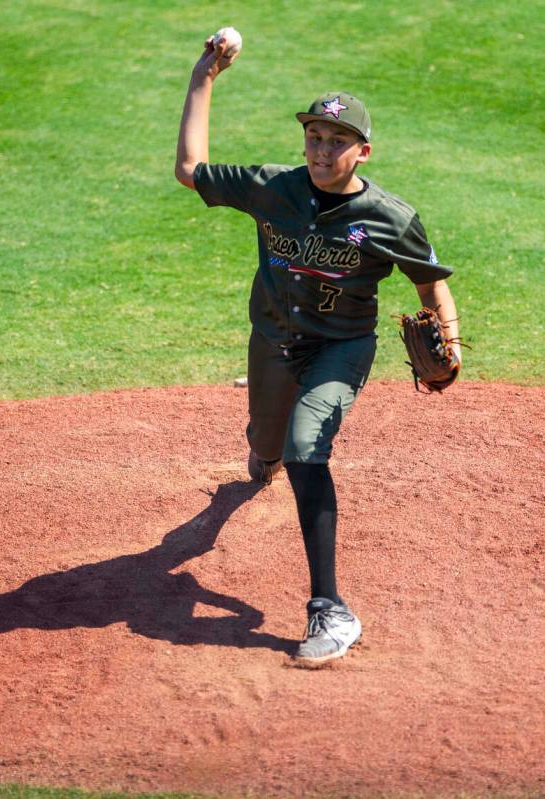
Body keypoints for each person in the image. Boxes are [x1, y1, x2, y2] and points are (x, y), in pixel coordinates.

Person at [174, 35, 461, 665]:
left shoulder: (387, 215)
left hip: (342, 349)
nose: (322, 150)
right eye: (314, 137)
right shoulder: (274, 188)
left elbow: (429, 282)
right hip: (274, 345)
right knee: (268, 447)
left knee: (309, 445)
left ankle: (330, 609)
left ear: (362, 151)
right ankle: (262, 457)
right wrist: (204, 77)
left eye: (336, 141)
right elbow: (190, 169)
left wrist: (453, 348)